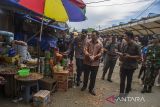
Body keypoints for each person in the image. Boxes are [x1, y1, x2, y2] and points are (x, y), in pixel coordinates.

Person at [119, 31, 141, 97]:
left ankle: (126, 94)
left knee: (129, 82)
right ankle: (121, 95)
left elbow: (139, 56)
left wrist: (130, 56)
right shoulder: (124, 44)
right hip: (123, 65)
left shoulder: (136, 45)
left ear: (129, 37)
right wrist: (120, 56)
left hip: (131, 66)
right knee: (122, 81)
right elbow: (123, 53)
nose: (124, 37)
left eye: (125, 36)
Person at [81, 30, 103, 96]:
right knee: (86, 76)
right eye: (92, 35)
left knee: (93, 77)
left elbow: (101, 52)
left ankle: (91, 89)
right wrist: (89, 55)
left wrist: (95, 56)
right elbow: (85, 49)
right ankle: (84, 86)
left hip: (95, 63)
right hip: (87, 62)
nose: (92, 36)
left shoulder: (100, 44)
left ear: (97, 36)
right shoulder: (88, 42)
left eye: (94, 35)